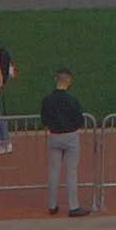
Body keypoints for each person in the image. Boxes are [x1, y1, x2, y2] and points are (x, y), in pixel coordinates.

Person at [39, 67, 86, 218]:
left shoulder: (47, 100)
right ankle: (73, 206)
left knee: (54, 171)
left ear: (56, 80)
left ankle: (52, 205)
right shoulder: (72, 101)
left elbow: (44, 120)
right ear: (69, 82)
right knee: (71, 171)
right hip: (70, 136)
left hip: (54, 136)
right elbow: (80, 121)